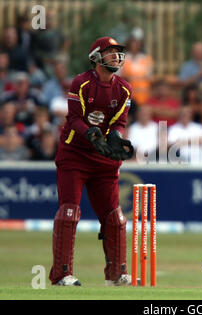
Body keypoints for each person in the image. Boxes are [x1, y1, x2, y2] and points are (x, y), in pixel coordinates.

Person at [49, 36, 135, 287]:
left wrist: (116, 136)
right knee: (69, 211)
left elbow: (119, 122)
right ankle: (62, 274)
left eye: (118, 53)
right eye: (110, 52)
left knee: (114, 217)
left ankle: (116, 274)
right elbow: (74, 119)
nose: (116, 57)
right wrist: (91, 134)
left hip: (104, 159)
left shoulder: (125, 89)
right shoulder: (81, 83)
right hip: (74, 154)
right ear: (96, 57)